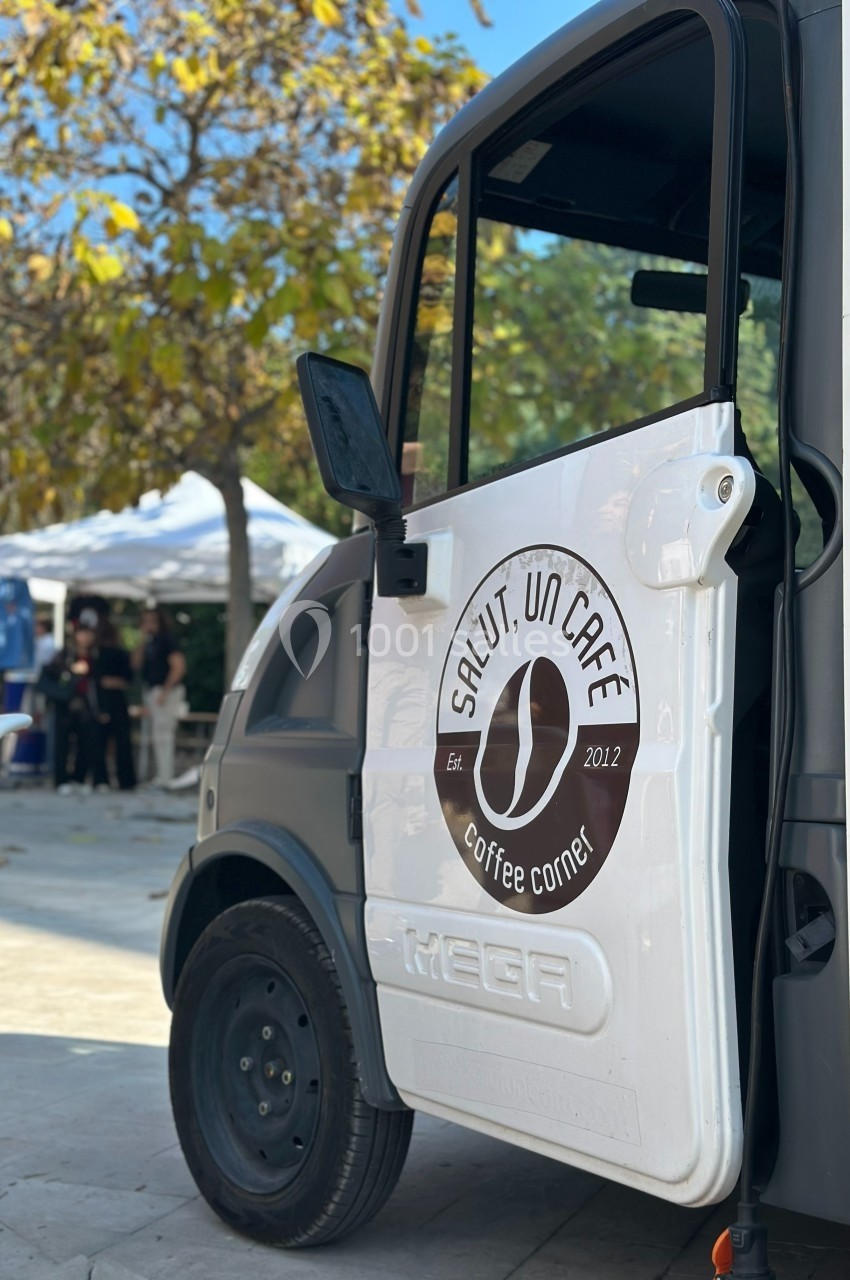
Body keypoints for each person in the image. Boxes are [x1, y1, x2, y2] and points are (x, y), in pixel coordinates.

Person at [41, 613, 103, 794]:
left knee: (86, 744)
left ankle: (80, 778)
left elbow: (98, 681)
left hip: (86, 706)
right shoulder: (65, 654)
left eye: (88, 633)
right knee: (62, 744)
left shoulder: (96, 655)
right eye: (82, 633)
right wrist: (71, 670)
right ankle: (61, 780)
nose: (85, 637)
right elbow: (52, 672)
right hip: (65, 705)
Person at [133, 606, 186, 786]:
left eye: (152, 621)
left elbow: (178, 667)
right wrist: (141, 638)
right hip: (151, 691)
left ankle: (166, 777)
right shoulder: (149, 642)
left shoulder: (167, 640)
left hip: (165, 691)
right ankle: (161, 775)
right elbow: (136, 664)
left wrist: (165, 691)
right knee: (157, 735)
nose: (149, 625)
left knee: (164, 734)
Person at [95, 618, 136, 791]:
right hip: (118, 700)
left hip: (101, 699)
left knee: (99, 742)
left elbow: (97, 680)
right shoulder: (121, 654)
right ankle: (126, 781)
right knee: (122, 742)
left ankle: (101, 779)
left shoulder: (97, 654)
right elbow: (129, 678)